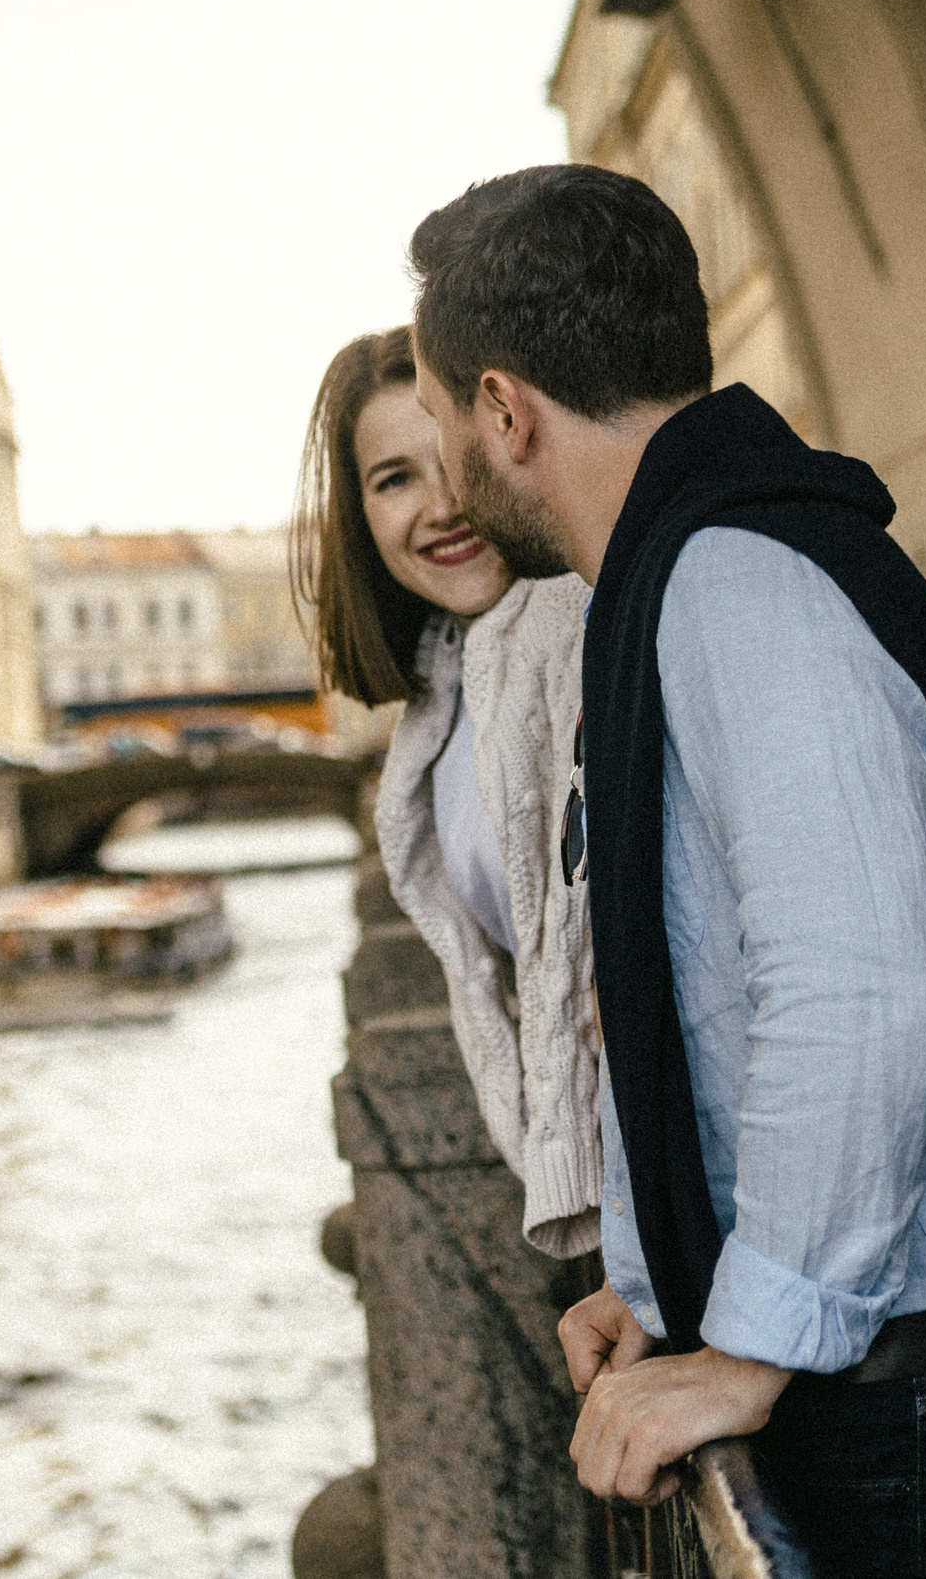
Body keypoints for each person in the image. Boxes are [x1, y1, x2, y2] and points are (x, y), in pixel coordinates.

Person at [407, 166, 926, 1578]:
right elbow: (722, 989)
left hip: (916, 1408)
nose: (446, 466)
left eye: (435, 423)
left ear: (503, 406)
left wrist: (747, 1347)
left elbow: (853, 999)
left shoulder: (737, 586)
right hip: (896, 1384)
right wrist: (661, 1282)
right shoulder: (704, 566)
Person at [291, 326, 603, 1258]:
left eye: (452, 460)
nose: (440, 507)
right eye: (393, 479)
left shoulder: (577, 628)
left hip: (689, 1207)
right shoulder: (451, 679)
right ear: (359, 514)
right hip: (618, 1209)